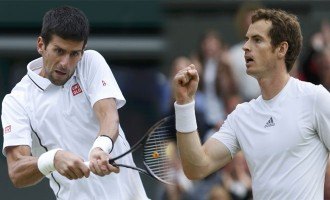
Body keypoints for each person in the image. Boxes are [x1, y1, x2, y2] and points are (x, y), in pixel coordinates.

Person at [173, 8, 330, 200]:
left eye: (257, 40)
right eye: (247, 39)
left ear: (282, 49)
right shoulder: (242, 115)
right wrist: (185, 104)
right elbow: (196, 167)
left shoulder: (315, 99)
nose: (245, 46)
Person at [1, 6, 149, 200]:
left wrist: (100, 147)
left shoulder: (91, 62)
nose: (65, 62)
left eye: (74, 54)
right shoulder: (16, 101)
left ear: (83, 51)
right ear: (40, 45)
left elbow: (109, 115)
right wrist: (53, 159)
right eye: (59, 51)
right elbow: (17, 171)